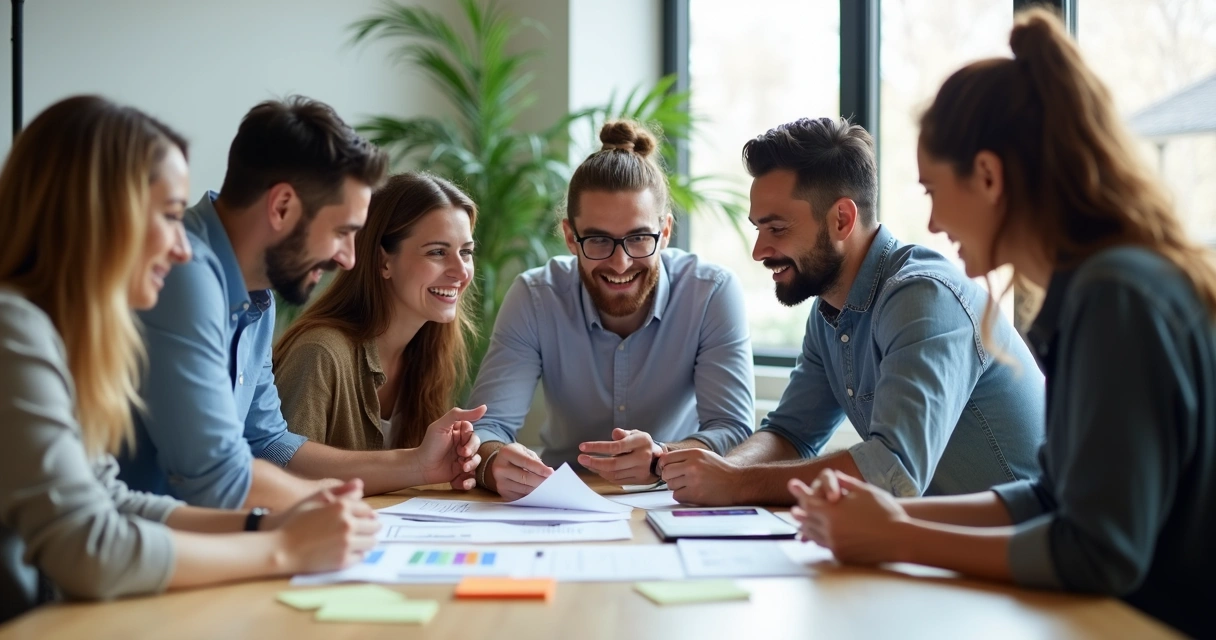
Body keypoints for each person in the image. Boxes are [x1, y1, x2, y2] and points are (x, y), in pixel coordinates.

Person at [790, 9, 1216, 637]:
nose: (932, 223)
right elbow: (1050, 498)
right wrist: (890, 518)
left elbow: (1097, 551)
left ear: (988, 176)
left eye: (933, 190)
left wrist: (900, 537)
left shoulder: (1115, 295)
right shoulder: (1093, 288)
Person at [0, 96, 379, 624]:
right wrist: (283, 549)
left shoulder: (52, 336)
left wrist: (267, 528)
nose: (182, 247)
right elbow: (88, 545)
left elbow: (110, 499)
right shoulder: (14, 329)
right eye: (171, 216)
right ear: (101, 216)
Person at [660, 116, 1045, 506]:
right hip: (941, 548)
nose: (759, 251)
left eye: (776, 229)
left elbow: (892, 469)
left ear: (842, 219)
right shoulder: (830, 311)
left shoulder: (923, 297)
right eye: (758, 229)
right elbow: (791, 434)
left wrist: (737, 483)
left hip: (1023, 552)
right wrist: (719, 472)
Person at [118, 97, 481, 510]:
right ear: (282, 206)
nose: (348, 258)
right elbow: (214, 472)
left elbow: (270, 443)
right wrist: (337, 507)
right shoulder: (183, 272)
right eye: (343, 232)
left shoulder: (258, 296)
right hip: (143, 549)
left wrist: (416, 466)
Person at [469, 120, 755, 500]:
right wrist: (492, 462)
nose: (620, 263)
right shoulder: (535, 297)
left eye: (639, 238)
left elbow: (734, 429)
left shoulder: (711, 294)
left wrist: (661, 458)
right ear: (571, 237)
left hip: (668, 499)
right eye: (599, 240)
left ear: (664, 232)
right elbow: (489, 425)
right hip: (558, 503)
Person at [274, 172, 481, 454]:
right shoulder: (319, 354)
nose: (460, 271)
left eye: (466, 252)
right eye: (437, 252)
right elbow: (282, 474)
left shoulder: (429, 351)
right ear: (384, 261)